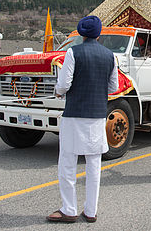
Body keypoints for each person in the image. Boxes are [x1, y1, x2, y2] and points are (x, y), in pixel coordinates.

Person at [48, 16, 119, 223]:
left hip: (75, 115)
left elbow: (64, 84)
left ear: (80, 33)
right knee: (94, 164)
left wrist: (58, 91)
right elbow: (113, 87)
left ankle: (69, 209)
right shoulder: (109, 56)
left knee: (68, 162)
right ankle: (90, 211)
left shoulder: (73, 52)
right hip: (97, 116)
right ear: (99, 34)